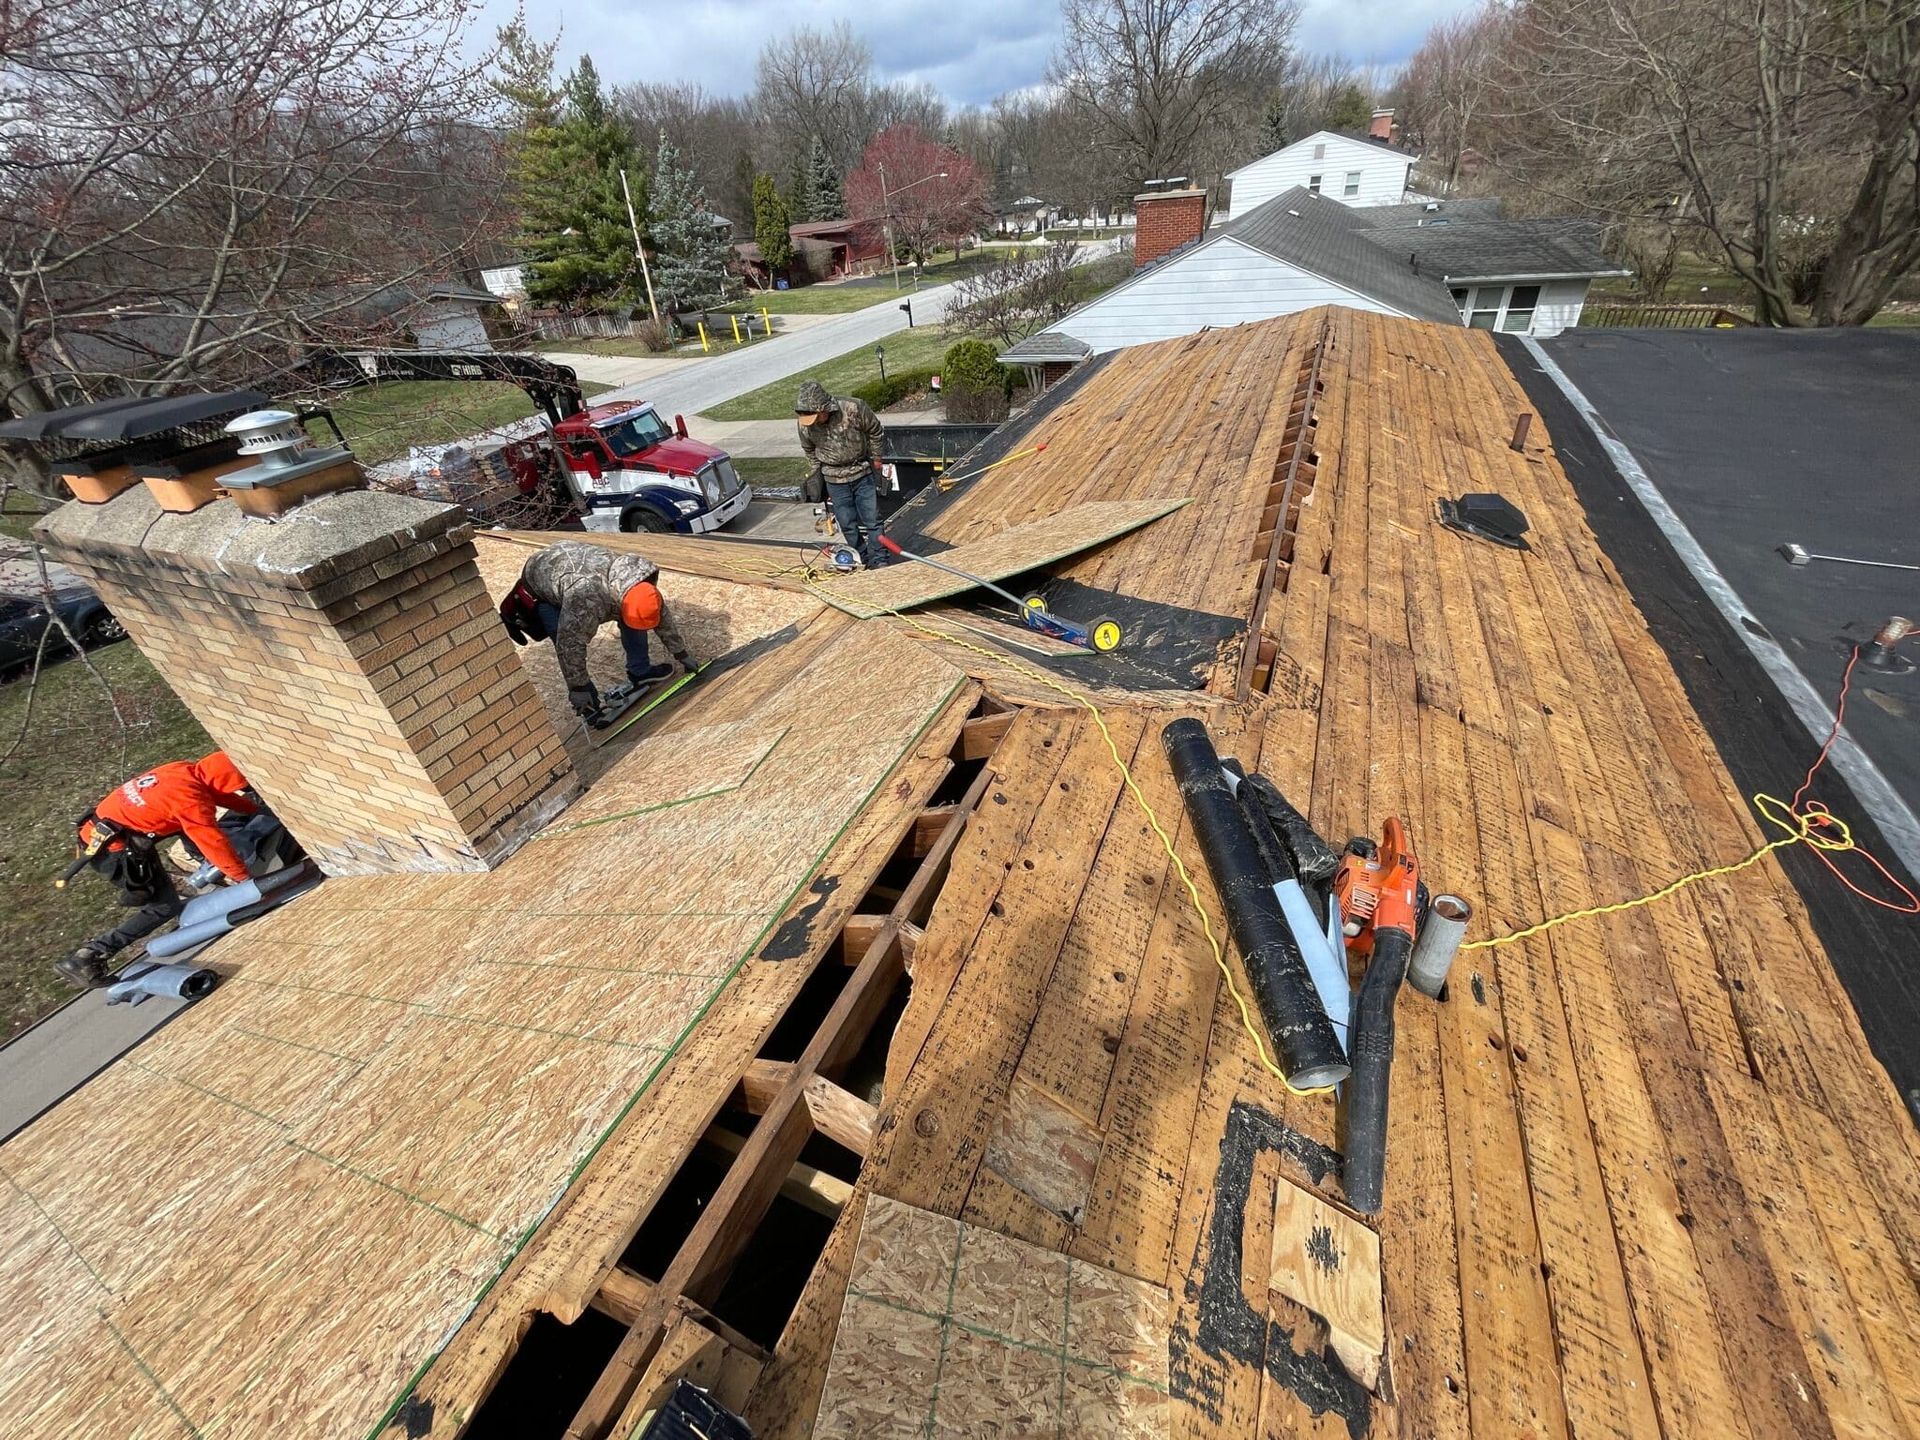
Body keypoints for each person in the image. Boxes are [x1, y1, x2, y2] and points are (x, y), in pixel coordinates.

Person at [57, 750, 295, 987]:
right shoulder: (189, 800)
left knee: (189, 828)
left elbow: (216, 795)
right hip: (114, 850)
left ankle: (203, 861)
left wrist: (258, 811)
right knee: (163, 906)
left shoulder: (182, 770)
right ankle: (88, 956)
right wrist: (244, 880)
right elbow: (212, 840)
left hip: (103, 830)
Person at [498, 540, 695, 720]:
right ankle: (589, 704)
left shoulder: (641, 584)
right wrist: (578, 687)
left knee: (634, 620)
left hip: (576, 563)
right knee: (563, 636)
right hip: (542, 581)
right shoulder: (584, 597)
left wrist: (681, 653)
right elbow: (570, 643)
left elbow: (661, 618)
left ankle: (640, 672)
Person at [795, 378, 892, 568]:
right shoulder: (804, 424)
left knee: (873, 520)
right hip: (833, 480)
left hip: (861, 473)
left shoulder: (853, 408)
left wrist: (877, 458)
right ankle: (861, 559)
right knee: (847, 524)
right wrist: (816, 474)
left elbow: (875, 430)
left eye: (815, 417)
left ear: (824, 408)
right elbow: (809, 449)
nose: (812, 422)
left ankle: (881, 559)